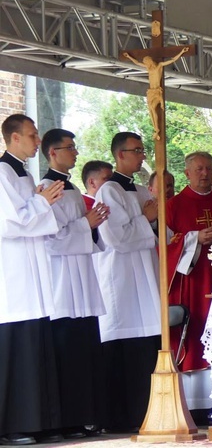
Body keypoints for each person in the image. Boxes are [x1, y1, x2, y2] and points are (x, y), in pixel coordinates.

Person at [39, 129, 110, 439]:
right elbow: (51, 242)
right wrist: (86, 224)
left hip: (82, 279)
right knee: (66, 350)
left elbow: (84, 236)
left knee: (84, 350)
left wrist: (92, 226)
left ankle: (85, 417)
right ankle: (65, 419)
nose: (76, 153)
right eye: (69, 148)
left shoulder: (72, 191)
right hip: (63, 285)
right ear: (53, 153)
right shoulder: (45, 190)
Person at [0, 114, 65, 446]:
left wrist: (40, 198)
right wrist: (42, 201)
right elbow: (9, 224)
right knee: (18, 343)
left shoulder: (21, 173)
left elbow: (30, 214)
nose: (37, 140)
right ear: (13, 138)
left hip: (32, 271)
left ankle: (38, 420)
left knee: (36, 338)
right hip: (14, 277)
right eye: (32, 135)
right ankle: (14, 423)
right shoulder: (1, 173)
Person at [95, 132, 161, 432]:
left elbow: (163, 230)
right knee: (126, 350)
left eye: (143, 150)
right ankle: (121, 418)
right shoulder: (109, 191)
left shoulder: (139, 190)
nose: (142, 155)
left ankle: (147, 413)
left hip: (146, 277)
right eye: (136, 151)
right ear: (120, 155)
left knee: (148, 348)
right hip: (123, 280)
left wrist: (155, 219)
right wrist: (145, 218)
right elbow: (116, 237)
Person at [166, 153, 212, 373]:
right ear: (187, 173)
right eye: (199, 169)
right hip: (194, 280)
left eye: (208, 168)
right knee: (199, 324)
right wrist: (195, 238)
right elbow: (166, 244)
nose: (205, 173)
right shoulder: (174, 205)